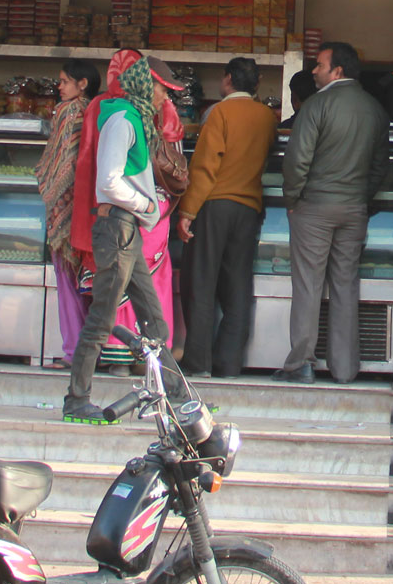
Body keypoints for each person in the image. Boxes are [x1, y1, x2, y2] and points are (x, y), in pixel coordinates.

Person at [63, 54, 176, 422]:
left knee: (154, 320)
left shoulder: (133, 118)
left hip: (126, 230)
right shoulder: (122, 120)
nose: (164, 97)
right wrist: (147, 205)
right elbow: (108, 181)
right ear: (145, 84)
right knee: (102, 317)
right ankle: (76, 400)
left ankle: (177, 395)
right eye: (161, 88)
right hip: (117, 228)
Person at [278, 40, 389, 384]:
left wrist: (292, 200)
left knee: (309, 286)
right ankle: (345, 369)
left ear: (337, 71)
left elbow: (297, 161)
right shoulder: (375, 109)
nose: (313, 71)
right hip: (354, 210)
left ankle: (301, 364)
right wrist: (362, 198)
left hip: (314, 208)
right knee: (345, 286)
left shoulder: (316, 105)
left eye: (319, 65)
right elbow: (380, 166)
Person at [179, 56, 276, 377]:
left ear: (228, 79)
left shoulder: (219, 113)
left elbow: (205, 167)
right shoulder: (266, 117)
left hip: (215, 204)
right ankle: (229, 363)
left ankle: (198, 362)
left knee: (202, 283)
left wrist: (188, 211)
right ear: (257, 84)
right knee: (237, 287)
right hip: (249, 208)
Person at [34, 58, 100, 366]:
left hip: (66, 212)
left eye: (64, 81)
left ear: (82, 84)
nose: (59, 87)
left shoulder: (69, 112)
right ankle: (90, 349)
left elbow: (60, 162)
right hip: (85, 209)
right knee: (86, 282)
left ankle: (74, 350)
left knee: (69, 282)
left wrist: (49, 185)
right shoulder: (93, 110)